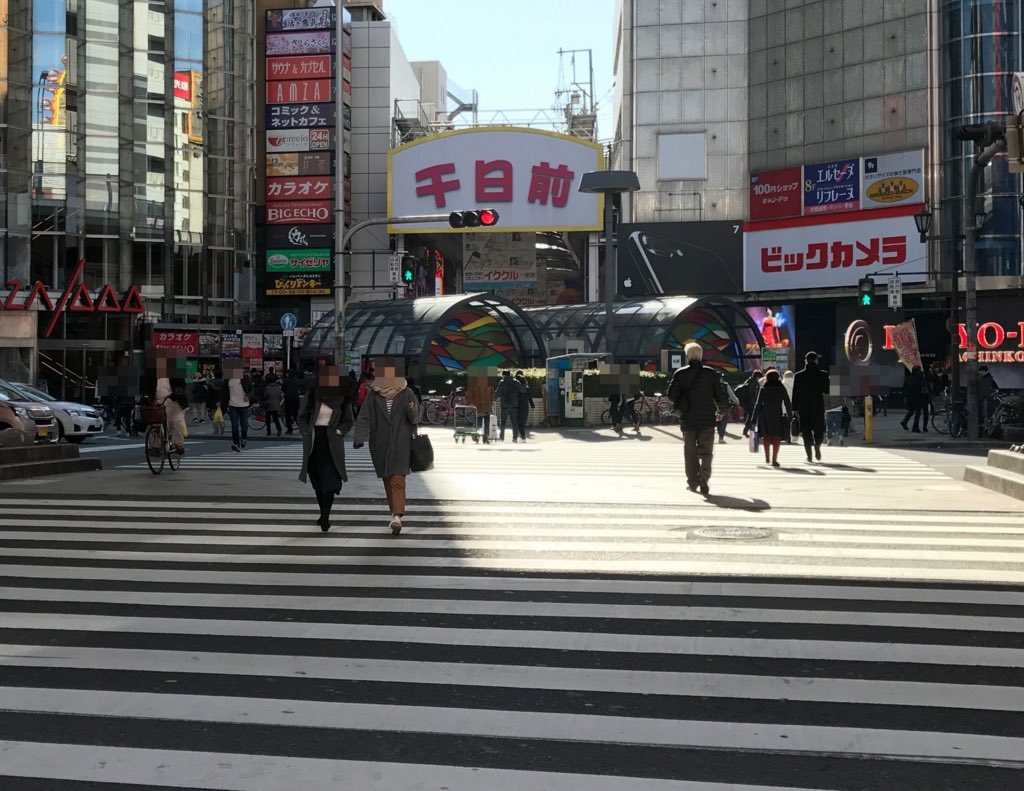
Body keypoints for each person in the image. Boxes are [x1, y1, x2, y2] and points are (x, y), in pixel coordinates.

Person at [353, 369, 420, 534]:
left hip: (402, 442)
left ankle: (397, 516)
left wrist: (411, 409)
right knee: (388, 480)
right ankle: (394, 513)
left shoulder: (406, 392)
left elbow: (415, 418)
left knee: (398, 479)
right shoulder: (374, 394)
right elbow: (364, 417)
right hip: (380, 442)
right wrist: (359, 437)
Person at [667, 342, 729, 496]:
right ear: (701, 356)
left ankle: (692, 481)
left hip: (688, 419)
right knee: (707, 451)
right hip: (707, 419)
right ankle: (704, 477)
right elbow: (720, 397)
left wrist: (682, 397)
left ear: (687, 356)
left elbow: (671, 395)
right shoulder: (711, 373)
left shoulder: (680, 374)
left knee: (690, 452)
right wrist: (720, 412)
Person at [297, 365, 354, 533]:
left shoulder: (343, 398)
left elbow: (349, 421)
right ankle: (323, 513)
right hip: (315, 441)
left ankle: (325, 517)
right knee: (318, 482)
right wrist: (306, 432)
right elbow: (301, 416)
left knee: (330, 483)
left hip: (332, 443)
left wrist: (339, 431)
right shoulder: (314, 394)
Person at [746, 369, 792, 467]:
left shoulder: (764, 388)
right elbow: (787, 402)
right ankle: (774, 459)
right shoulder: (781, 388)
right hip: (777, 414)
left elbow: (758, 404)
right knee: (777, 436)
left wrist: (753, 418)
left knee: (766, 436)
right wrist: (789, 415)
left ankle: (767, 456)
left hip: (764, 415)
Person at [792, 351, 829, 463]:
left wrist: (794, 408)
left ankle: (809, 456)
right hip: (818, 406)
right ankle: (817, 444)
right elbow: (827, 390)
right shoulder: (823, 374)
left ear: (805, 360)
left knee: (806, 431)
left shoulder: (798, 376)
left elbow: (795, 393)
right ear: (816, 360)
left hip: (803, 407)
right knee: (819, 428)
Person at [154, 358, 189, 455]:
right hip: (157, 402)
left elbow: (181, 386)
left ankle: (178, 444)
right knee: (154, 424)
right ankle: (155, 446)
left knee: (176, 421)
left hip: (173, 401)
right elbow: (146, 387)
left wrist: (177, 392)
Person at [220, 361, 252, 452]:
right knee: (234, 425)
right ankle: (236, 443)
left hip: (243, 405)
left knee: (244, 426)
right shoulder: (228, 379)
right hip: (232, 405)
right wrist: (221, 403)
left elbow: (252, 389)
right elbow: (225, 393)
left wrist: (248, 396)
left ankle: (244, 439)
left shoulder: (245, 377)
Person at [465, 372, 494, 443]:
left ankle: (485, 438)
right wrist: (470, 403)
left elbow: (492, 394)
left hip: (486, 406)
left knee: (486, 424)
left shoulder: (489, 384)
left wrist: (491, 401)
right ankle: (476, 437)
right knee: (478, 424)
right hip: (478, 407)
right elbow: (468, 395)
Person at [496, 369, 523, 442]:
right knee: (514, 422)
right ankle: (514, 438)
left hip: (504, 405)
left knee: (503, 422)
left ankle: (502, 438)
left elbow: (498, 393)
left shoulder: (502, 382)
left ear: (504, 375)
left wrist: (493, 399)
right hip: (514, 405)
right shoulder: (515, 382)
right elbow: (522, 390)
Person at [735, 370, 762, 437]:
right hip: (750, 402)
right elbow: (752, 393)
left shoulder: (748, 380)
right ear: (758, 377)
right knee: (751, 417)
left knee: (750, 416)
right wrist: (754, 402)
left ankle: (748, 430)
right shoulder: (754, 382)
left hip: (746, 402)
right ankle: (747, 430)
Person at [900, 365, 926, 433]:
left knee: (911, 410)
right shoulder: (919, 378)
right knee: (918, 412)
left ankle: (905, 421)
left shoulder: (907, 378)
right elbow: (922, 387)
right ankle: (915, 427)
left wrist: (904, 397)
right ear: (917, 371)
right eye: (919, 370)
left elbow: (904, 388)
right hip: (916, 397)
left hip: (909, 397)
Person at [514, 370, 534, 441]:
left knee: (517, 423)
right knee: (521, 423)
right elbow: (530, 398)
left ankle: (520, 437)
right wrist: (532, 406)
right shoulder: (527, 388)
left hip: (517, 407)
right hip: (525, 408)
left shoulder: (516, 389)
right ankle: (522, 436)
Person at [282, 370, 301, 434]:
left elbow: (283, 389)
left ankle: (289, 429)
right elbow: (300, 388)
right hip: (296, 399)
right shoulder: (297, 380)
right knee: (296, 414)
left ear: (288, 374)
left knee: (288, 415)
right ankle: (301, 428)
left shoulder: (285, 381)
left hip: (288, 399)